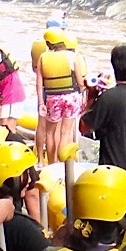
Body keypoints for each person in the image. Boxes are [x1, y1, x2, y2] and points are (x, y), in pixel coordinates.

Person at [83, 44, 126, 171]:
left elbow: (84, 127)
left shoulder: (108, 97)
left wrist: (91, 97)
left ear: (114, 65)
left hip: (110, 170)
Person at [35, 28, 86, 166]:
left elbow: (39, 84)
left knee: (50, 133)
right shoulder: (72, 57)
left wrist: (41, 103)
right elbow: (80, 82)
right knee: (65, 132)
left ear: (48, 43)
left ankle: (52, 164)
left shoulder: (43, 58)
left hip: (52, 99)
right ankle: (62, 164)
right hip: (71, 97)